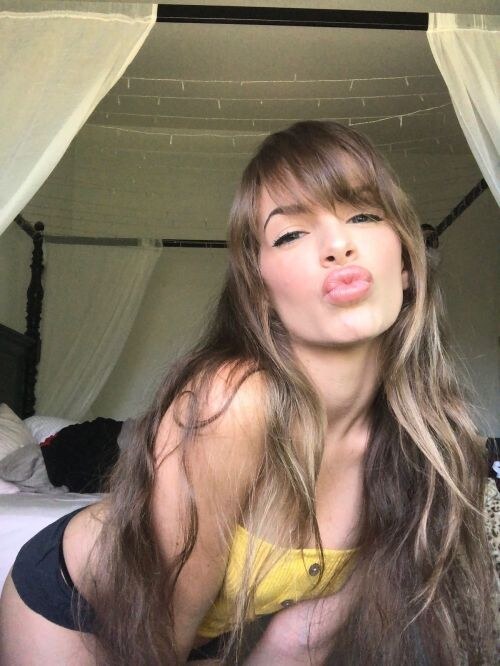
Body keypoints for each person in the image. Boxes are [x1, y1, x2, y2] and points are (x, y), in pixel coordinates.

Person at [0, 120, 496, 666]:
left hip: (204, 630)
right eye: (290, 234)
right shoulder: (231, 405)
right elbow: (161, 631)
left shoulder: (417, 448)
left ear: (405, 265)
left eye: (363, 215)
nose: (338, 246)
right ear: (260, 290)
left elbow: (301, 640)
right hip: (75, 606)